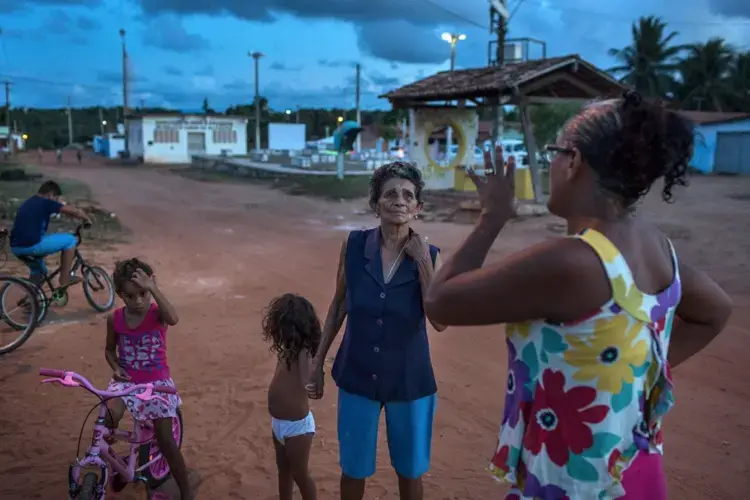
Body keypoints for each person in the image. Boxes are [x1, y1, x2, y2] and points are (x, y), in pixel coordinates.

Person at [424, 91, 733, 499]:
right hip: (633, 470)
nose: (549, 164)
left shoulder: (574, 262)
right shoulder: (657, 246)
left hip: (575, 482)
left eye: (554, 152)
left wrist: (492, 217)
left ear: (573, 162)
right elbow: (717, 310)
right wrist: (631, 374)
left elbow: (440, 301)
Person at [306, 161, 445, 500]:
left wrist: (423, 261)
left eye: (408, 196)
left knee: (410, 471)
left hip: (409, 380)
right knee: (353, 468)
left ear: (418, 208)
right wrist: (318, 362)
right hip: (356, 374)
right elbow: (339, 305)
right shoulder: (354, 246)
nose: (399, 200)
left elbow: (439, 320)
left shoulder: (431, 255)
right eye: (390, 194)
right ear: (375, 205)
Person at [104, 258, 193, 500]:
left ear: (151, 288)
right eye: (131, 296)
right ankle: (122, 465)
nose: (139, 300)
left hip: (157, 383)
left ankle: (186, 492)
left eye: (144, 293)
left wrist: (153, 288)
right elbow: (110, 350)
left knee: (165, 440)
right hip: (126, 382)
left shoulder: (158, 314)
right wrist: (115, 367)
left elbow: (173, 318)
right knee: (107, 419)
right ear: (121, 294)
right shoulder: (115, 319)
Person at [263, 293, 321, 500]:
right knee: (284, 473)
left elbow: (308, 380)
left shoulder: (303, 351)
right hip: (279, 424)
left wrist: (315, 375)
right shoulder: (286, 350)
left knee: (300, 475)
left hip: (297, 428)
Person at [10, 180, 91, 286]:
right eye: (56, 198)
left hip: (16, 248)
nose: (56, 201)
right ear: (51, 194)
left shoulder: (29, 202)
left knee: (39, 271)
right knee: (70, 240)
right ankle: (64, 278)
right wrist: (87, 219)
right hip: (31, 245)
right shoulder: (45, 202)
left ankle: (32, 297)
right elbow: (74, 211)